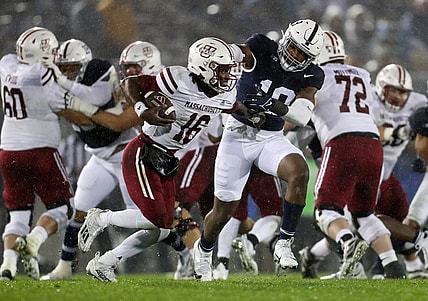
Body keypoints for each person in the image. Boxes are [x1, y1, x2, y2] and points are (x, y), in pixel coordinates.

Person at [73, 37, 248, 282]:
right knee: (155, 219)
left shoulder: (225, 96)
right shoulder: (177, 78)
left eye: (227, 70)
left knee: (163, 227)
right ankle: (100, 218)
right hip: (143, 152)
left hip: (167, 158)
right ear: (203, 67)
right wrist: (143, 110)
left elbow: (239, 108)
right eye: (220, 69)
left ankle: (105, 262)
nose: (225, 76)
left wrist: (261, 114)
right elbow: (132, 82)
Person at [193, 19, 325, 281]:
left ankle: (284, 242)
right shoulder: (263, 46)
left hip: (269, 137)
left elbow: (300, 115)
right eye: (294, 48)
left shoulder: (312, 74)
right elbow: (238, 52)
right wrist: (225, 52)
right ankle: (204, 250)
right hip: (237, 134)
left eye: (303, 54)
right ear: (285, 39)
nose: (295, 55)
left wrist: (272, 105)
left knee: (299, 172)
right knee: (224, 211)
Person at [299, 62, 428, 279]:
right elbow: (368, 127)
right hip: (362, 166)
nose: (397, 97)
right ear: (380, 87)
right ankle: (364, 265)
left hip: (382, 172)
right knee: (356, 220)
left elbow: (423, 129)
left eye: (402, 92)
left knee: (376, 221)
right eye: (392, 90)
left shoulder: (417, 103)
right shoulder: (367, 98)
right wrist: (395, 132)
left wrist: (420, 156)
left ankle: (402, 267)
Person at [310, 30, 405, 279]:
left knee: (325, 210)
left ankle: (346, 241)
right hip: (372, 144)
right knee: (364, 213)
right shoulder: (363, 75)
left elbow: (303, 109)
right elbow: (373, 118)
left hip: (342, 143)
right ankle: (392, 264)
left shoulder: (318, 75)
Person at [0, 27, 74, 280]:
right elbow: (64, 100)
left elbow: (22, 69)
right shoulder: (44, 75)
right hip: (40, 150)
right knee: (64, 208)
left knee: (18, 214)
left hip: (8, 151)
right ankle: (34, 240)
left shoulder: (7, 64)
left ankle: (7, 265)